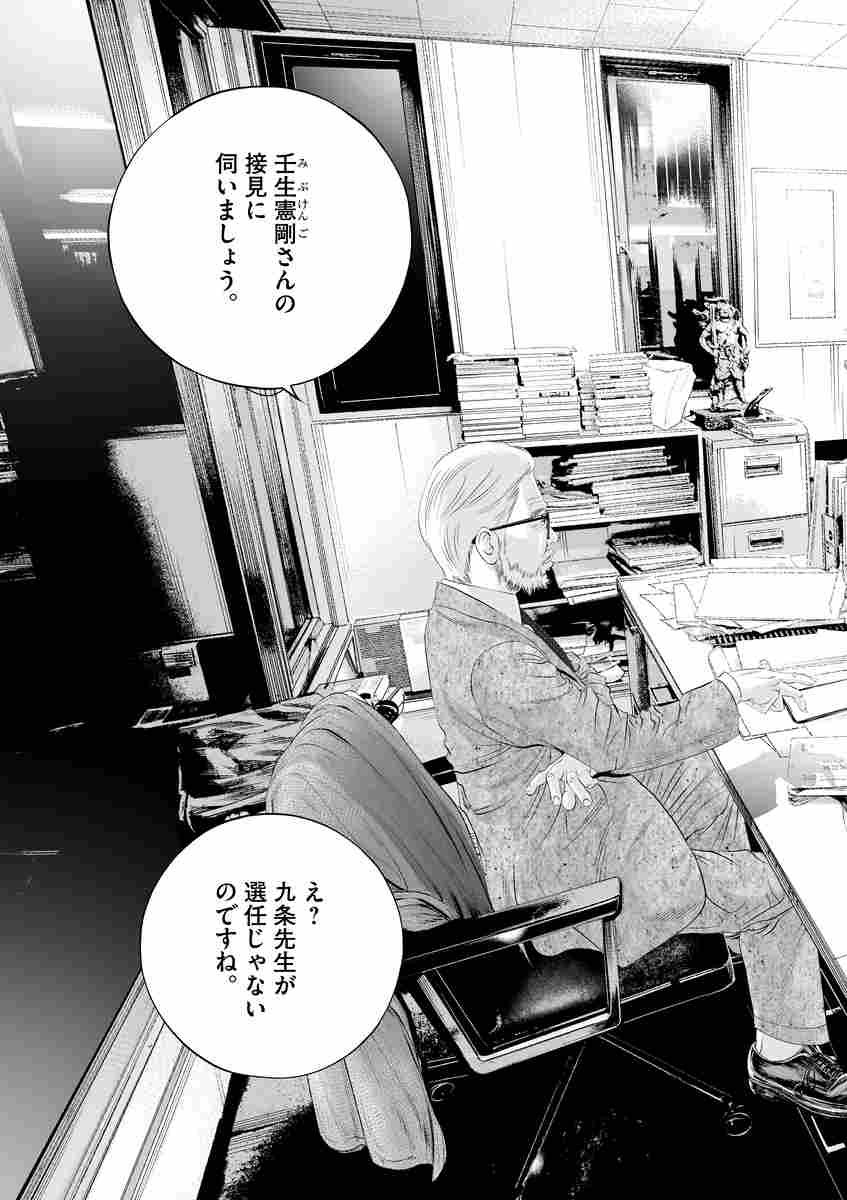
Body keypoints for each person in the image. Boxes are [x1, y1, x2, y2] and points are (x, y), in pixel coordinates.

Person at [418, 440, 847, 1118]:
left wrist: (561, 749)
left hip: (554, 813)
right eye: (537, 519)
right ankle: (782, 1053)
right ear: (488, 542)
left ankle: (745, 937)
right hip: (569, 877)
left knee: (703, 772)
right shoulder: (498, 661)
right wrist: (732, 695)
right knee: (785, 889)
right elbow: (614, 739)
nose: (552, 533)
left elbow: (564, 719)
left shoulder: (466, 612)